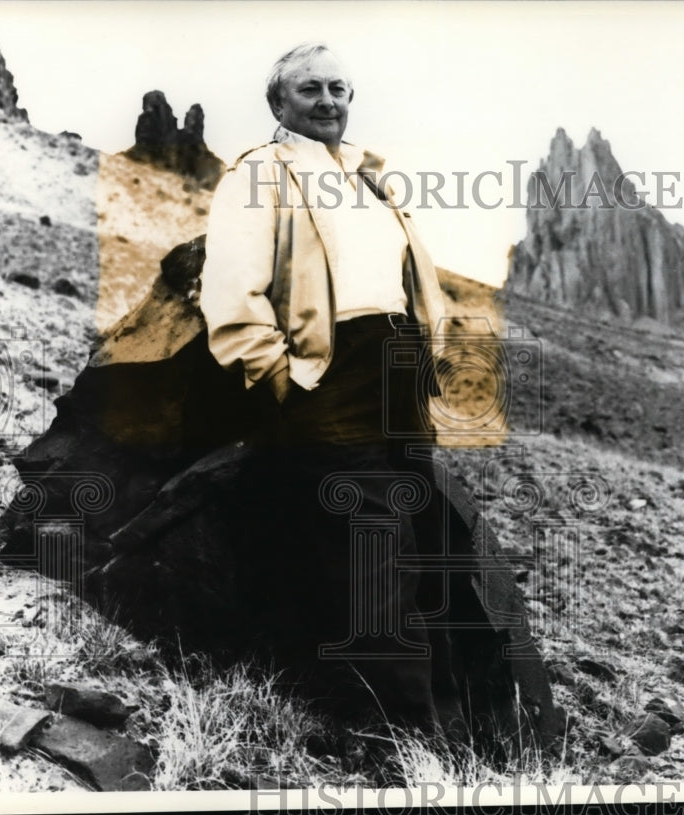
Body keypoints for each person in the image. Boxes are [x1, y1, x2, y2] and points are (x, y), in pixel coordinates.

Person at [199, 43, 466, 747]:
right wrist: (279, 372)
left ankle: (404, 704)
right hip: (330, 371)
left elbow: (411, 278)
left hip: (398, 372)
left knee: (414, 532)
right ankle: (402, 734)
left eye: (339, 88)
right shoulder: (257, 175)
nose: (328, 101)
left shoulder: (371, 180)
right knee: (370, 540)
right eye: (310, 88)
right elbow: (232, 288)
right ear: (278, 104)